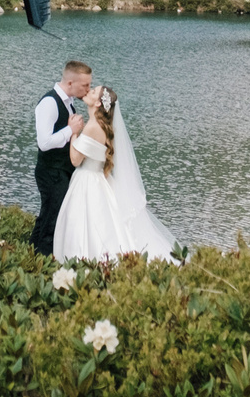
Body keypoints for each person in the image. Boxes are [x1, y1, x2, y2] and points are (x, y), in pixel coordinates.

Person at [51, 84, 178, 263]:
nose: (89, 92)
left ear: (97, 104)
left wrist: (73, 132)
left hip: (87, 181)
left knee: (83, 225)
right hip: (97, 180)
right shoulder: (103, 125)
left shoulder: (92, 127)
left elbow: (75, 160)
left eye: (93, 92)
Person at [31, 59, 92, 254]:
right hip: (50, 171)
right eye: (85, 85)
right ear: (70, 83)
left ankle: (30, 252)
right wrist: (70, 129)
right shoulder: (49, 102)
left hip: (60, 171)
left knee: (47, 216)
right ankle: (43, 259)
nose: (88, 89)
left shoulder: (69, 102)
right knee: (53, 218)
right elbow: (44, 142)